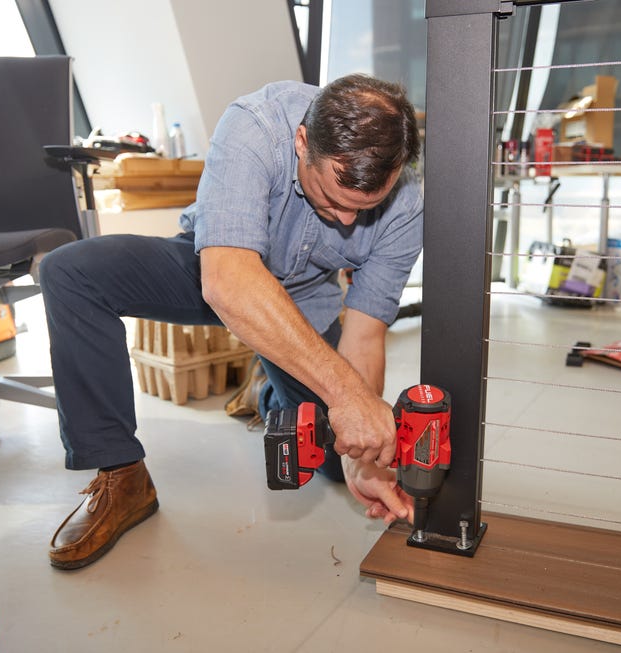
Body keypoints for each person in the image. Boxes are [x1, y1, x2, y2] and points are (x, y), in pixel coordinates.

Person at [38, 74, 424, 570]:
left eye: (362, 210)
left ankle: (268, 387)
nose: (347, 222)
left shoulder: (408, 202)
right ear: (302, 141)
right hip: (214, 269)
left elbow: (365, 333)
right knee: (69, 272)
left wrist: (362, 455)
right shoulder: (255, 126)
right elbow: (229, 282)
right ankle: (122, 473)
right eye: (332, 200)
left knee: (330, 458)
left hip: (305, 303)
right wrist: (348, 395)